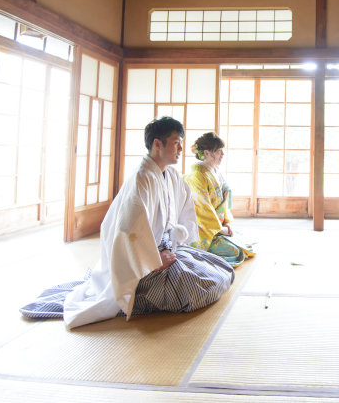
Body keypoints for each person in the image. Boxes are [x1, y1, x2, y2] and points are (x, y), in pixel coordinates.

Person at [19, 117, 234, 328]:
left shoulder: (170, 175)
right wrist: (154, 260)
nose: (180, 149)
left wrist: (179, 241)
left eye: (181, 143)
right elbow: (128, 230)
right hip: (141, 264)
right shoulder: (142, 178)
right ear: (157, 144)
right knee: (198, 288)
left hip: (164, 250)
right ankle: (130, 293)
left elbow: (185, 208)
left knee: (221, 269)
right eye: (176, 142)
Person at [184, 132, 254, 267]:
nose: (222, 154)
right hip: (205, 230)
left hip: (218, 226)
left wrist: (227, 223)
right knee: (235, 251)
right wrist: (220, 229)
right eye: (219, 151)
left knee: (246, 245)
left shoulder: (215, 172)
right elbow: (201, 207)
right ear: (207, 153)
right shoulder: (197, 176)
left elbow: (224, 202)